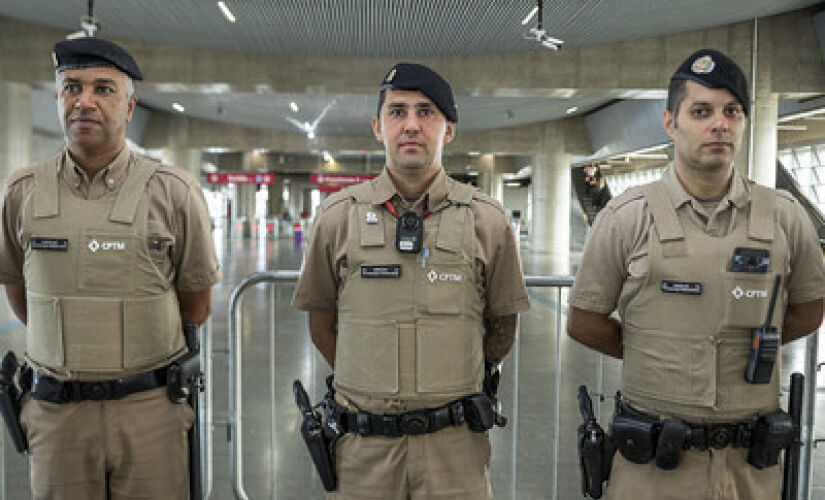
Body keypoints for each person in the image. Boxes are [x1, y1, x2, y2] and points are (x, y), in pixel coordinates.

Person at [567, 48, 825, 500]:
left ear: (744, 122)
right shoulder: (627, 217)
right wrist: (658, 347)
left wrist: (740, 350)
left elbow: (809, 309)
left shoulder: (784, 217)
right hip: (653, 470)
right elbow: (584, 320)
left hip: (751, 470)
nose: (719, 124)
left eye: (732, 111)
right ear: (671, 123)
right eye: (701, 111)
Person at [292, 62, 530, 500]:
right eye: (397, 112)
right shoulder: (336, 217)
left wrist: (451, 376)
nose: (412, 125)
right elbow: (322, 325)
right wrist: (372, 382)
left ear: (449, 129)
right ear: (378, 127)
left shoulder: (487, 219)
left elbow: (503, 324)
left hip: (454, 448)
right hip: (364, 449)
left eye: (427, 112)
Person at [0, 37, 220, 499]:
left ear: (130, 105)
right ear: (58, 98)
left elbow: (196, 304)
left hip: (150, 413)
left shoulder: (173, 191)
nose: (86, 101)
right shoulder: (20, 192)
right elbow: (21, 295)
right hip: (57, 416)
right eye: (72, 88)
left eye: (104, 89)